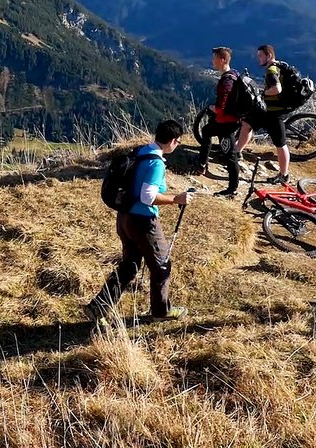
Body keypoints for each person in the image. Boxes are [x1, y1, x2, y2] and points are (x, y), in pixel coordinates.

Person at [85, 119, 191, 325]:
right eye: (178, 141)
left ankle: (98, 306)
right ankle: (162, 311)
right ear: (171, 141)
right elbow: (148, 196)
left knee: (130, 265)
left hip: (124, 217)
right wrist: (176, 199)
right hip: (143, 221)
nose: (177, 145)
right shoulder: (156, 163)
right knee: (161, 265)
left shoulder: (141, 152)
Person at [235, 44, 290, 183]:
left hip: (274, 112)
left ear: (269, 56)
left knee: (280, 143)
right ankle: (236, 152)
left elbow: (277, 89)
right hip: (267, 109)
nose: (258, 58)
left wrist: (263, 93)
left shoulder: (271, 70)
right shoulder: (279, 65)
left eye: (260, 55)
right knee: (247, 124)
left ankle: (284, 175)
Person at [197, 46, 244, 198]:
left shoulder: (226, 81)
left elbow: (221, 107)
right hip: (223, 121)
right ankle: (202, 164)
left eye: (215, 58)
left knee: (230, 156)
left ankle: (232, 189)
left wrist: (211, 107)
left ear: (223, 60)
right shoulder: (234, 74)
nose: (212, 61)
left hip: (226, 124)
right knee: (206, 131)